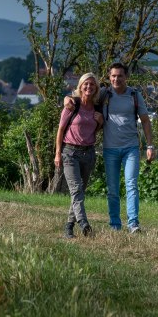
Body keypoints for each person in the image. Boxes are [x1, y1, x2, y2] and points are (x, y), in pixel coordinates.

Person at [64, 63, 154, 233]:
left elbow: (146, 121)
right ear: (109, 77)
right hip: (110, 149)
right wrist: (67, 99)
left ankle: (133, 224)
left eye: (120, 76)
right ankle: (115, 225)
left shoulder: (134, 95)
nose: (116, 79)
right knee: (112, 189)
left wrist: (150, 145)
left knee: (131, 185)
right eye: (113, 76)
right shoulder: (105, 94)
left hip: (131, 148)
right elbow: (84, 97)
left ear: (126, 77)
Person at [55, 73, 104, 239]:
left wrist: (100, 122)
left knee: (79, 192)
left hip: (88, 153)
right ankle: (83, 223)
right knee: (76, 190)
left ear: (96, 88)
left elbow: (93, 131)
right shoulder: (72, 105)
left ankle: (69, 226)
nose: (88, 87)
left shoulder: (97, 108)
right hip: (70, 152)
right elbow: (61, 130)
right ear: (80, 86)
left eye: (92, 85)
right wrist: (57, 154)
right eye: (86, 84)